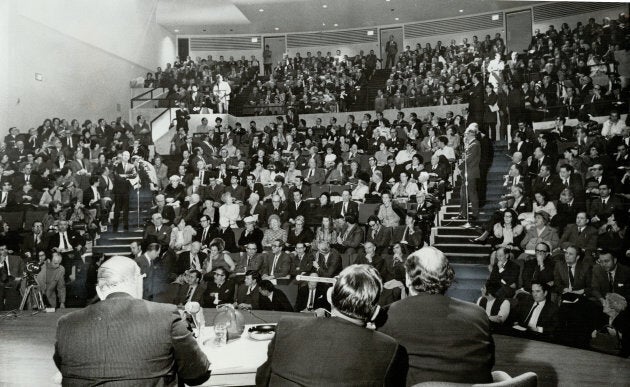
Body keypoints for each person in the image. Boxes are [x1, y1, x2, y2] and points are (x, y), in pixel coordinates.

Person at [53, 256, 211, 386]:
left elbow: (63, 368)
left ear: (99, 290)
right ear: (138, 282)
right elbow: (197, 372)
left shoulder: (67, 323)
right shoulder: (166, 315)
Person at [256, 265, 408, 386]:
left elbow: (262, 380)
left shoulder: (286, 327)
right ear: (375, 311)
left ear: (330, 296)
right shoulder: (391, 349)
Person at [379, 246, 494, 385]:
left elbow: (380, 367)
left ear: (408, 279)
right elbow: (489, 362)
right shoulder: (479, 314)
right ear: (448, 278)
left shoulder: (389, 314)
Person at [457, 126, 480, 220]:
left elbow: (468, 159)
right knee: (464, 194)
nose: (465, 136)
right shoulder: (471, 144)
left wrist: (459, 166)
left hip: (470, 172)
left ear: (471, 134)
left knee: (471, 193)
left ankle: (474, 213)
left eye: (466, 134)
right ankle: (463, 213)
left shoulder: (475, 144)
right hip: (467, 172)